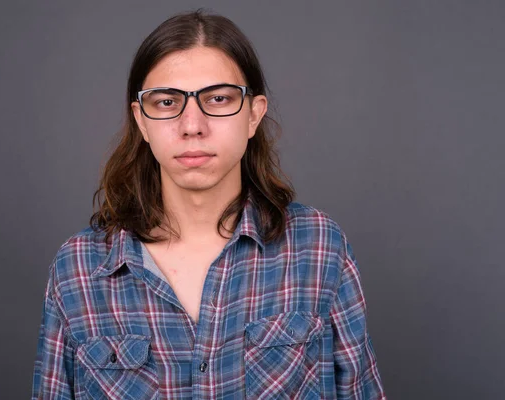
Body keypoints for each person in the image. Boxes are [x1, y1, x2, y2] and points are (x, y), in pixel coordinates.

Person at [32, 9, 386, 400]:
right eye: (167, 102)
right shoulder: (77, 270)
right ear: (142, 121)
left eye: (218, 98)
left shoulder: (319, 249)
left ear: (253, 115)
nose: (192, 125)